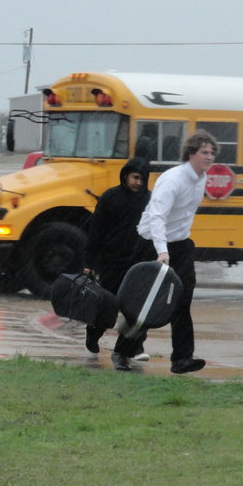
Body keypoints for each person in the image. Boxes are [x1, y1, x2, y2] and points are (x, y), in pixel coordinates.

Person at [111, 130, 217, 374]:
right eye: (204, 152)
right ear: (191, 154)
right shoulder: (173, 180)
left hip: (180, 245)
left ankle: (181, 359)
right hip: (152, 243)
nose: (209, 157)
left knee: (182, 301)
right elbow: (158, 216)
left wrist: (178, 245)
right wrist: (161, 250)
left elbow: (184, 214)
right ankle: (122, 350)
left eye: (212, 153)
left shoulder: (201, 177)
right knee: (145, 302)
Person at [81, 157, 152, 367]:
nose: (138, 183)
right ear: (126, 176)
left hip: (138, 263)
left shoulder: (150, 200)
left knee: (137, 309)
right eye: (135, 177)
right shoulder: (110, 198)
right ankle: (93, 333)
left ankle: (131, 346)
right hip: (112, 261)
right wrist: (90, 262)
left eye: (142, 179)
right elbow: (96, 232)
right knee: (107, 305)